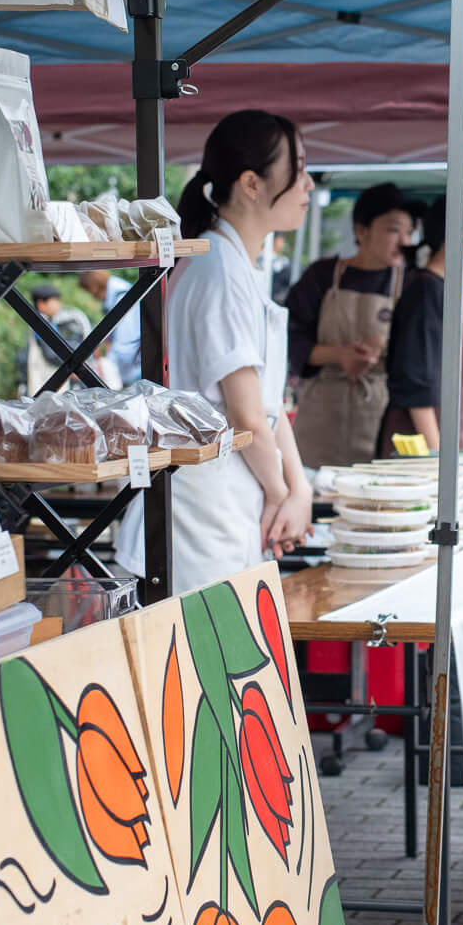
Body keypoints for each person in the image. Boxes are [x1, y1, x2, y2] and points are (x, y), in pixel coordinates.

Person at [116, 109, 314, 592]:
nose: (309, 184)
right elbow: (247, 415)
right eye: (300, 168)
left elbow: (265, 408)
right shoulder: (218, 266)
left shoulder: (234, 261)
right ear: (252, 183)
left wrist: (296, 487)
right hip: (202, 516)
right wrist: (282, 490)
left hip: (226, 506)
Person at [284, 183, 417, 469]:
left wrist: (388, 347)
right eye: (394, 230)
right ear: (361, 231)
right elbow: (291, 340)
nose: (404, 241)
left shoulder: (411, 284)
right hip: (321, 418)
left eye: (409, 232)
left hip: (380, 416)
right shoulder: (321, 276)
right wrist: (339, 355)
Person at [383, 197, 463, 454]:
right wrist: (438, 457)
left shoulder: (454, 292)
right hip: (425, 449)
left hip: (458, 443)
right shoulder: (425, 293)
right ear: (454, 236)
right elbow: (415, 383)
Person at [75, 269, 142, 387]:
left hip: (134, 369)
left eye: (90, 292)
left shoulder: (121, 296)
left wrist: (108, 365)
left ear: (94, 287)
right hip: (130, 367)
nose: (93, 297)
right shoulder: (114, 296)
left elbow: (124, 341)